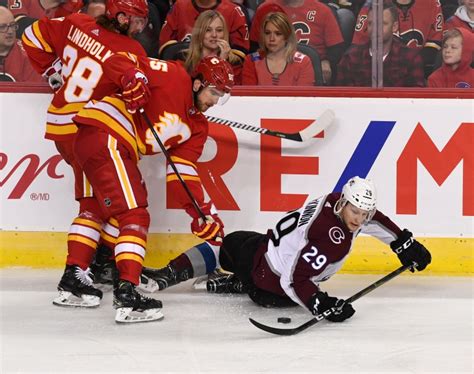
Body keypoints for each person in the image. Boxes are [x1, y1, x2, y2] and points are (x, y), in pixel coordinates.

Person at [71, 54, 234, 322]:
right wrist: (130, 76)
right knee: (135, 214)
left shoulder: (197, 127)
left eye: (221, 96)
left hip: (105, 142)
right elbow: (118, 59)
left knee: (112, 211)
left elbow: (183, 173)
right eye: (214, 92)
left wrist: (200, 213)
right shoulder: (174, 74)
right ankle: (127, 294)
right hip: (106, 132)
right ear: (197, 84)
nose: (215, 101)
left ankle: (90, 270)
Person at [142, 176, 432, 321]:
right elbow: (294, 281)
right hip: (269, 287)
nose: (359, 219)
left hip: (264, 251)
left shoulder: (336, 200)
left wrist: (402, 241)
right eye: (356, 212)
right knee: (226, 248)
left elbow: (372, 218)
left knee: (230, 245)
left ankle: (225, 279)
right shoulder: (331, 239)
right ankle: (219, 280)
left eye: (363, 214)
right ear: (345, 203)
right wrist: (320, 304)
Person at [21, 0, 151, 309]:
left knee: (93, 205)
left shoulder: (77, 23)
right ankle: (125, 286)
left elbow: (31, 36)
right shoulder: (131, 51)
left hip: (63, 130)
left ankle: (74, 276)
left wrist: (55, 70)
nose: (139, 27)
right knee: (130, 209)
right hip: (92, 130)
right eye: (135, 20)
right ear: (119, 15)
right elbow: (137, 100)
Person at [248, 0, 345, 84]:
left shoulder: (323, 10)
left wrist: (327, 61)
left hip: (314, 68)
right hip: (273, 65)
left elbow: (336, 47)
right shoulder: (266, 8)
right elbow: (254, 46)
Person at [336, 2, 425, 87]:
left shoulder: (411, 58)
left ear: (394, 27)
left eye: (382, 24)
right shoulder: (351, 58)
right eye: (371, 23)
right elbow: (341, 97)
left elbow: (417, 98)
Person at [352, 0, 444, 77]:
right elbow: (358, 48)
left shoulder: (432, 3)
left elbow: (434, 44)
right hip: (378, 71)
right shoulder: (373, 5)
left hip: (418, 71)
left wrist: (412, 64)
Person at [242, 11, 315, 86]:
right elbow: (249, 95)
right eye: (267, 33)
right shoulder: (252, 60)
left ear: (286, 36)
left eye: (278, 34)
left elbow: (303, 96)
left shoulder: (303, 62)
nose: (272, 38)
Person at [159, 0, 250, 55]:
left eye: (218, 30)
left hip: (222, 70)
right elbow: (166, 49)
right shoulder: (179, 7)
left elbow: (240, 54)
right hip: (185, 68)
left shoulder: (233, 11)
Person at [183, 10, 244, 84]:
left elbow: (230, 91)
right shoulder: (184, 59)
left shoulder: (234, 62)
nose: (214, 35)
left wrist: (222, 62)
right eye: (208, 30)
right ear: (199, 33)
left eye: (219, 30)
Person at [0, 6, 42, 82]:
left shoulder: (29, 55)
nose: (10, 31)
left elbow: (33, 92)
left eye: (12, 25)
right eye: (2, 27)